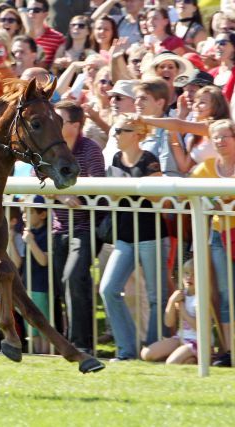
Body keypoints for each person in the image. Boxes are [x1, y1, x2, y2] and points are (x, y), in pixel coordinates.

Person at [99, 114, 169, 361]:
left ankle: (153, 349)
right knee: (108, 289)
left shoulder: (149, 159)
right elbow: (115, 196)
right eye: (115, 130)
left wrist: (129, 189)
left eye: (120, 130)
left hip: (151, 235)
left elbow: (156, 197)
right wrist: (136, 187)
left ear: (136, 134)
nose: (115, 135)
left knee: (156, 297)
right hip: (124, 236)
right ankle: (127, 350)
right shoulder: (115, 159)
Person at [51, 100, 105, 355]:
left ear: (75, 124)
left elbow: (98, 184)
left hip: (86, 228)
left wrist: (67, 190)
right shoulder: (51, 147)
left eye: (59, 120)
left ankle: (82, 345)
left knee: (75, 279)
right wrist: (61, 196)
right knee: (64, 285)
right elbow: (36, 178)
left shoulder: (90, 148)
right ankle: (70, 342)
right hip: (58, 227)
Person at [190, 119, 235, 367]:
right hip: (220, 235)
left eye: (225, 136)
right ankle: (231, 350)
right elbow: (187, 192)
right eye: (215, 137)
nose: (220, 141)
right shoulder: (205, 168)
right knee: (227, 294)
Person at [137, 85, 230, 174]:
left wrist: (143, 120)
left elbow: (180, 125)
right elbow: (184, 167)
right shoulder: (196, 136)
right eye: (195, 101)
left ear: (216, 107)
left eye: (202, 102)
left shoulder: (215, 127)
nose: (196, 106)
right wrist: (175, 136)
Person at [141, 259, 199, 365]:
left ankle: (190, 358)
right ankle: (187, 358)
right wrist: (171, 301)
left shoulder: (201, 298)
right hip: (180, 338)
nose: (189, 277)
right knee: (146, 354)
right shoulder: (181, 294)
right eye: (186, 273)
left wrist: (182, 310)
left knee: (171, 363)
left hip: (197, 341)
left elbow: (199, 327)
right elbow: (169, 323)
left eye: (194, 274)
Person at [17, 196, 50, 354]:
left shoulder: (46, 233)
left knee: (43, 326)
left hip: (40, 286)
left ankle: (46, 355)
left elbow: (43, 260)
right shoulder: (27, 233)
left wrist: (31, 241)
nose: (24, 215)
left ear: (42, 215)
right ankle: (37, 354)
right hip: (27, 285)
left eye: (29, 212)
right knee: (31, 328)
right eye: (23, 212)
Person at [22, 0, 65, 69]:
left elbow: (54, 68)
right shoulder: (19, 35)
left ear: (45, 14)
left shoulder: (58, 38)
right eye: (29, 9)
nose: (31, 13)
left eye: (36, 10)